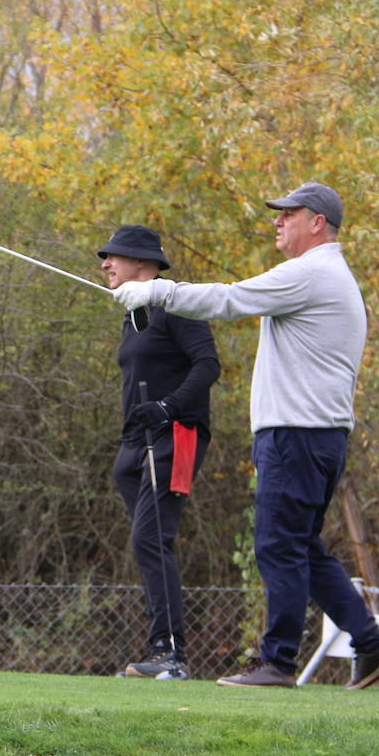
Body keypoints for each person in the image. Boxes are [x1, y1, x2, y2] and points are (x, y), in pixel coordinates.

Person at [112, 183, 379, 689]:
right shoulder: (327, 274)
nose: (277, 221)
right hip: (317, 435)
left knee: (276, 545)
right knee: (302, 547)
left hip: (297, 434)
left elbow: (232, 300)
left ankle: (278, 662)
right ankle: (370, 642)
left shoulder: (311, 272)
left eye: (287, 215)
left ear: (317, 222)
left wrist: (158, 291)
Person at [98, 225, 221, 681]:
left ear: (142, 263)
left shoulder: (176, 305)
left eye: (114, 257)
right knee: (149, 541)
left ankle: (170, 655)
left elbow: (209, 365)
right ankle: (162, 649)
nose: (105, 264)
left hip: (176, 436)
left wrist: (167, 408)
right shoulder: (133, 314)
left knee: (151, 539)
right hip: (136, 446)